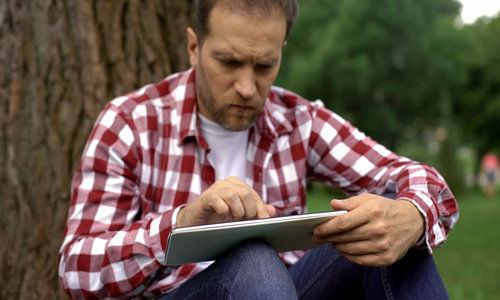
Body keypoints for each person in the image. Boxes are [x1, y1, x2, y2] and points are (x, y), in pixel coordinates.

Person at [58, 0, 459, 298]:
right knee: (252, 258)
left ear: (282, 48)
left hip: (285, 291)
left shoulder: (297, 120)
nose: (248, 88)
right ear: (194, 47)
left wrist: (414, 217)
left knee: (392, 225)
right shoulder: (130, 122)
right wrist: (179, 225)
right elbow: (76, 271)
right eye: (229, 63)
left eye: (264, 66)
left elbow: (418, 178)